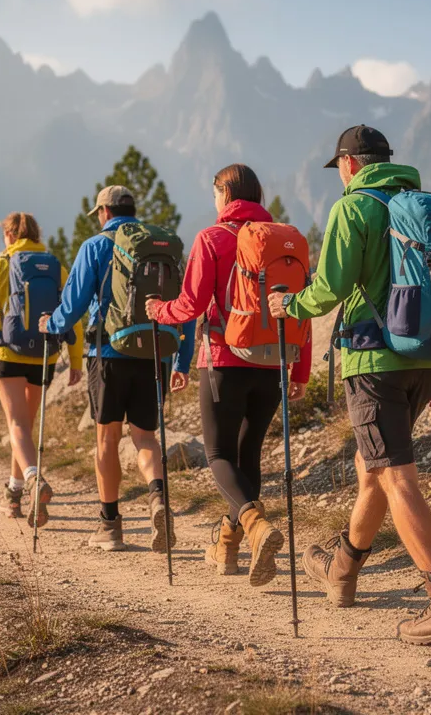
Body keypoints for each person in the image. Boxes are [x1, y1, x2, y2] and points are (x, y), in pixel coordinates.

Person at [266, 125, 431, 648]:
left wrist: (290, 306)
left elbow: (333, 285)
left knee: (393, 474)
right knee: (371, 469)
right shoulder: (420, 203)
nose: (339, 175)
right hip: (425, 357)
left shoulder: (353, 208)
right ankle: (342, 568)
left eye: (338, 166)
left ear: (350, 163)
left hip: (374, 360)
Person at [144, 164, 313, 586]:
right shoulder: (285, 241)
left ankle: (255, 526)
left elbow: (190, 304)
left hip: (224, 357)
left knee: (220, 455)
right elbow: (299, 308)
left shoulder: (213, 238)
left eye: (214, 193)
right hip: (275, 359)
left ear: (224, 193)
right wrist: (301, 370)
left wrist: (157, 312)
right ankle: (227, 545)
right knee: (248, 453)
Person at [41, 186, 195, 554]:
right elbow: (185, 306)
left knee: (107, 439)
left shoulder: (95, 246)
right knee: (144, 437)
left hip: (107, 353)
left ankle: (110, 526)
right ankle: (158, 499)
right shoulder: (161, 249)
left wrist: (52, 324)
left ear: (104, 212)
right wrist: (181, 359)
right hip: (154, 352)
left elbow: (74, 303)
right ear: (132, 210)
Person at [0, 212, 84, 527]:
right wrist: (77, 360)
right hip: (45, 355)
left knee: (16, 425)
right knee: (25, 430)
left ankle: (32, 479)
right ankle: (13, 495)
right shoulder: (58, 268)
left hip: (7, 353)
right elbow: (74, 317)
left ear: (10, 235)